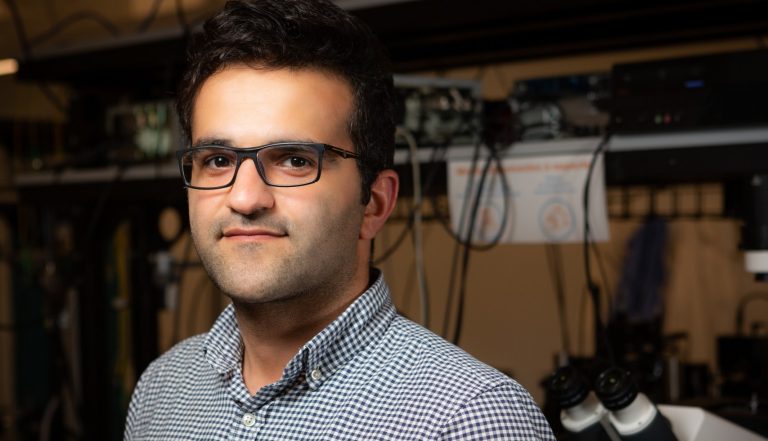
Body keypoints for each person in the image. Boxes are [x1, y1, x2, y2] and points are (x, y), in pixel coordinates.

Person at [124, 0, 555, 439]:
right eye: (217, 159)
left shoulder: (467, 420)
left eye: (293, 160)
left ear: (375, 203)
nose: (245, 197)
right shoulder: (164, 388)